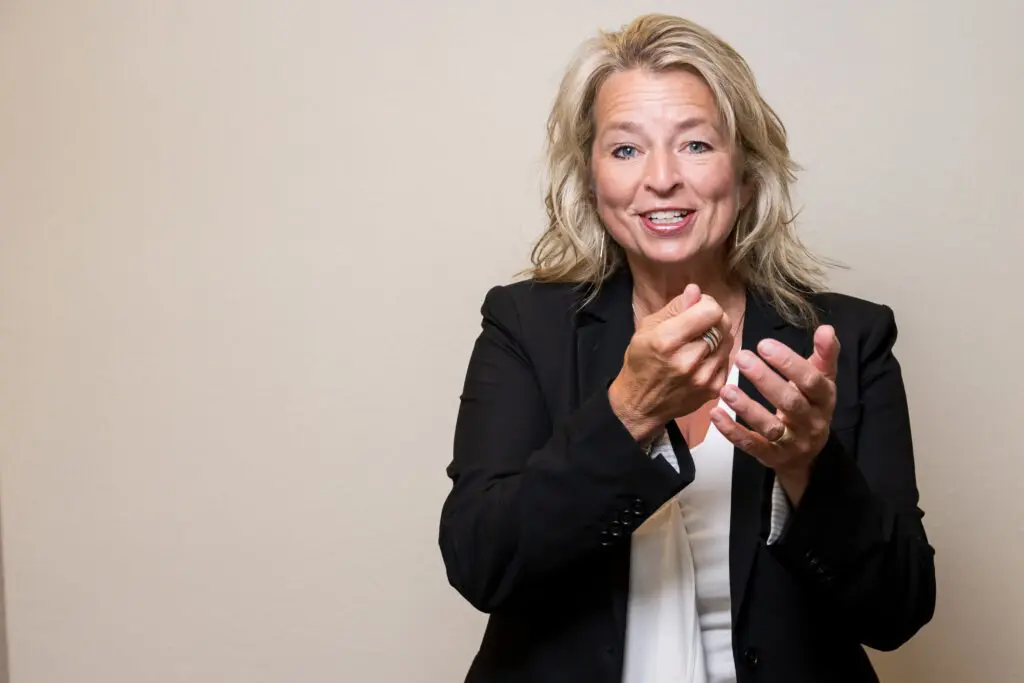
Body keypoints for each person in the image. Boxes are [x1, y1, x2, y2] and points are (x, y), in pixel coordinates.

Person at [438, 13, 935, 683]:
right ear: (590, 181)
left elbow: (899, 609)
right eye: (625, 149)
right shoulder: (524, 326)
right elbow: (480, 561)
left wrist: (810, 468)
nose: (662, 177)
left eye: (696, 145)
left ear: (748, 173)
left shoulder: (850, 339)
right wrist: (627, 411)